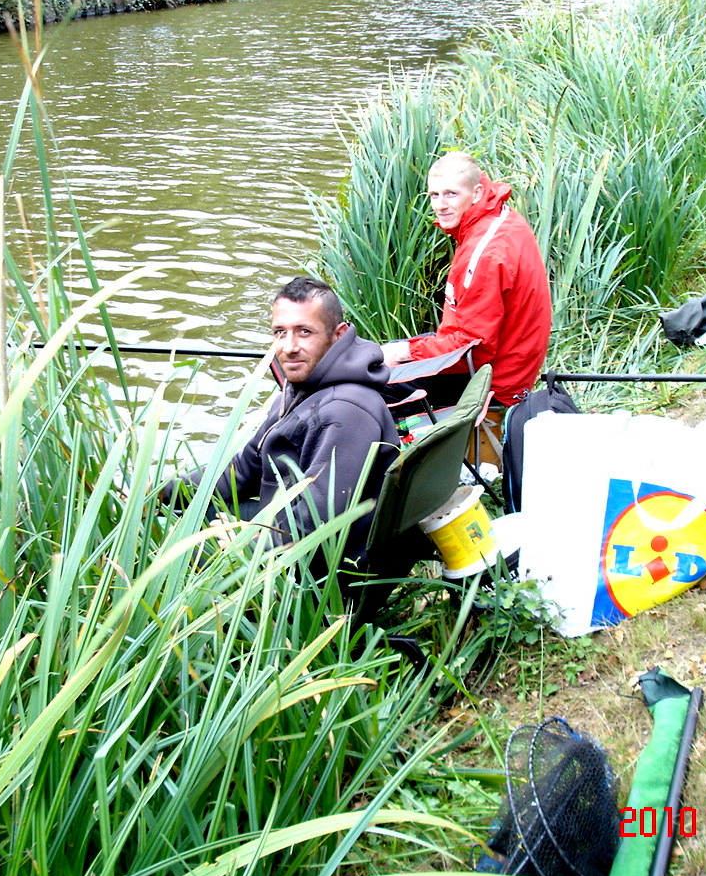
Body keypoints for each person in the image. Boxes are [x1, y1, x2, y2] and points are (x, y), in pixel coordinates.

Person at [164, 276, 401, 569]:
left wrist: (246, 542)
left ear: (338, 335)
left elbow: (318, 523)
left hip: (325, 571)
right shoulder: (302, 387)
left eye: (304, 331)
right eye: (280, 332)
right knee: (181, 514)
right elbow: (243, 470)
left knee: (174, 544)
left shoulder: (346, 410)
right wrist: (164, 492)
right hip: (280, 520)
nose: (289, 347)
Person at [381, 152, 552, 407]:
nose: (440, 205)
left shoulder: (485, 253)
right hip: (500, 360)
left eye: (451, 194)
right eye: (434, 195)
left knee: (366, 384)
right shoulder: (496, 218)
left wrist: (406, 353)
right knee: (379, 356)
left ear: (477, 192)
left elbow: (473, 348)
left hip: (492, 382)